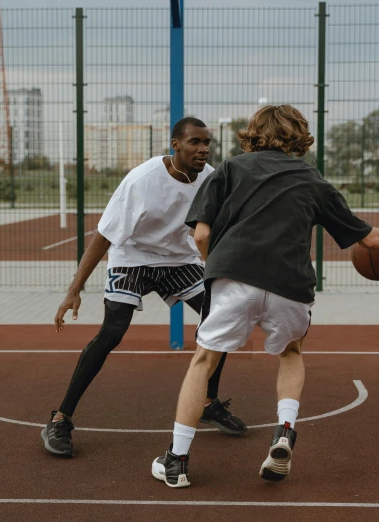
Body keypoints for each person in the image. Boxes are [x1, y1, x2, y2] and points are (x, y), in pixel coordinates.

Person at [151, 104, 379, 488]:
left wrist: (218, 270)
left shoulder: (229, 169)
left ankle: (176, 462)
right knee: (291, 353)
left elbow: (202, 236)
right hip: (290, 284)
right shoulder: (311, 177)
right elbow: (368, 238)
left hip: (234, 275)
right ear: (299, 135)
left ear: (252, 133)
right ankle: (284, 432)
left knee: (204, 361)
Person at [41, 117, 247, 458]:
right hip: (132, 256)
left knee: (220, 316)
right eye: (195, 141)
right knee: (113, 332)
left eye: (207, 142)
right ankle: (61, 418)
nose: (204, 148)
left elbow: (220, 228)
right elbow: (104, 236)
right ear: (175, 144)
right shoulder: (143, 179)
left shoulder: (211, 179)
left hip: (178, 261)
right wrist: (74, 289)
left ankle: (208, 403)